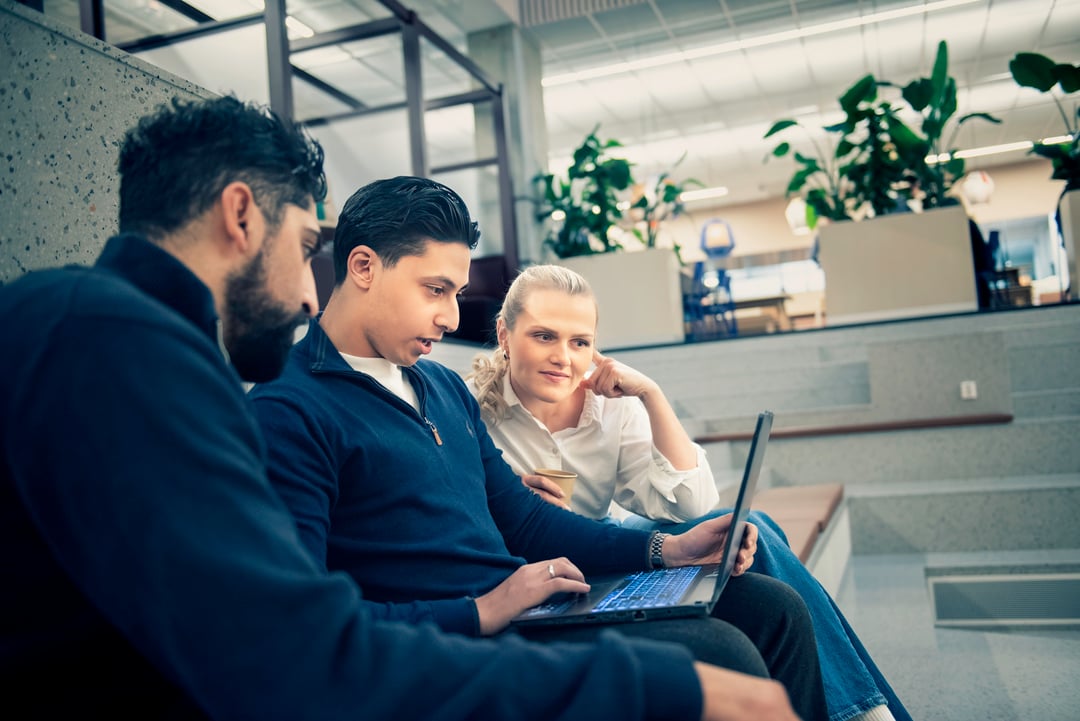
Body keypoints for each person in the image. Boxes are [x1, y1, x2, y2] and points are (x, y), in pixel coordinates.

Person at [0, 96, 795, 721]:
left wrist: (660, 549)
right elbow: (296, 652)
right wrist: (636, 679)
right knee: (717, 655)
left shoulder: (83, 328)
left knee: (762, 600)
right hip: (423, 646)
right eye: (305, 245)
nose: (309, 292)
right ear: (241, 215)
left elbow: (262, 629)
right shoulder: (125, 348)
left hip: (444, 633)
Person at [248, 175, 829, 721]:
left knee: (773, 611)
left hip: (532, 605)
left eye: (456, 293)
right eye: (436, 290)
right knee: (719, 651)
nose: (450, 317)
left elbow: (525, 523)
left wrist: (666, 550)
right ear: (363, 267)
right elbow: (299, 623)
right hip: (465, 638)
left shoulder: (441, 387)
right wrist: (480, 610)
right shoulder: (292, 409)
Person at [466, 264, 913, 721]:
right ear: (504, 333)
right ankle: (867, 712)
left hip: (609, 541)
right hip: (547, 572)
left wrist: (652, 396)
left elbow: (691, 506)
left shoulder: (609, 406)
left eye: (580, 342)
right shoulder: (469, 408)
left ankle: (863, 713)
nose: (564, 356)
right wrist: (505, 495)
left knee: (748, 528)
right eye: (544, 336)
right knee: (756, 538)